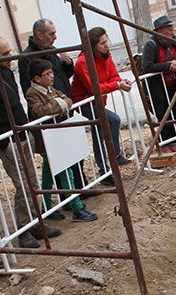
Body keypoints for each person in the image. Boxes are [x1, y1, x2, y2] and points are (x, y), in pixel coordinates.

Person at [0, 36, 62, 248]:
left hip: (22, 132)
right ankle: (24, 230)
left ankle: (37, 221)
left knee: (32, 181)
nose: (10, 57)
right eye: (5, 54)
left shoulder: (6, 71)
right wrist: (1, 142)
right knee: (22, 185)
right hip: (6, 138)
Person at [19, 18, 90, 192]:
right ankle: (67, 196)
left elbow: (64, 75)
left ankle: (80, 186)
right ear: (39, 35)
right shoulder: (28, 57)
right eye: (51, 34)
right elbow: (30, 89)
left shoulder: (52, 51)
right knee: (59, 160)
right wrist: (57, 103)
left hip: (64, 109)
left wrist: (67, 63)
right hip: (51, 117)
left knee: (74, 151)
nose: (55, 37)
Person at [25, 58, 98, 222]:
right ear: (37, 78)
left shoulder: (49, 89)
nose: (52, 76)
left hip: (56, 137)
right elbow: (41, 111)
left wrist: (59, 103)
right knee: (67, 172)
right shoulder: (32, 93)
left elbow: (68, 100)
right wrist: (60, 104)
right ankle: (77, 209)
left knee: (48, 174)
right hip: (46, 140)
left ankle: (47, 206)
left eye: (51, 72)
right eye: (47, 74)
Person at [71, 26, 133, 182]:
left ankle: (108, 163)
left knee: (103, 127)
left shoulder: (106, 56)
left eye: (107, 41)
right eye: (102, 43)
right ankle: (109, 163)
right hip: (84, 102)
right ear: (93, 46)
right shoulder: (83, 62)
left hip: (98, 101)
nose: (106, 45)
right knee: (111, 121)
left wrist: (120, 82)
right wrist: (117, 85)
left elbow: (114, 77)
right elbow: (94, 88)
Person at [141, 15, 176, 155]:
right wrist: (167, 65)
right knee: (162, 114)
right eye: (168, 29)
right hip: (157, 86)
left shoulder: (172, 40)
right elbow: (147, 67)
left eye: (172, 29)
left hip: (172, 82)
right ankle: (163, 144)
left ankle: (173, 142)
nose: (171, 32)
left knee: (173, 111)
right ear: (160, 31)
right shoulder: (151, 45)